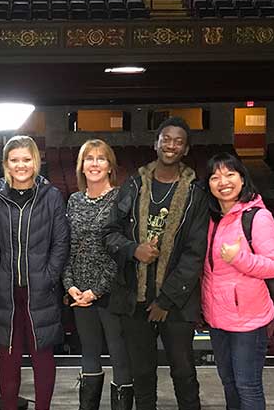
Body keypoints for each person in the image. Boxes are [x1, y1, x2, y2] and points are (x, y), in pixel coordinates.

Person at [103, 117, 209, 410]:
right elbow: (110, 232)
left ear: (185, 149)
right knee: (141, 375)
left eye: (178, 141)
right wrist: (133, 249)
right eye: (166, 138)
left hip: (176, 302)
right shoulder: (134, 185)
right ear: (156, 143)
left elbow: (194, 254)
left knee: (184, 373)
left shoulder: (195, 194)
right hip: (133, 300)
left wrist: (166, 300)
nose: (171, 145)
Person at [0, 135, 70, 410]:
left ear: (36, 161)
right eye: (14, 160)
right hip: (5, 291)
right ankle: (9, 405)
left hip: (40, 291)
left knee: (42, 356)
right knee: (7, 357)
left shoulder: (52, 196)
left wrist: (48, 276)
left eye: (26, 159)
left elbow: (60, 243)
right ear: (6, 164)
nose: (21, 165)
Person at [201, 153, 274, 410]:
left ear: (242, 178)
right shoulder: (211, 219)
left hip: (249, 319)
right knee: (229, 382)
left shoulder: (257, 217)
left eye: (229, 174)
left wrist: (240, 258)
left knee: (247, 386)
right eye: (215, 177)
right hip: (217, 317)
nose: (223, 181)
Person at [63, 139, 133, 410]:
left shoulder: (121, 199)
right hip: (80, 293)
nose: (94, 163)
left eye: (100, 158)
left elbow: (122, 252)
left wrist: (98, 290)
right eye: (88, 158)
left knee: (119, 355)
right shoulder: (74, 200)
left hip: (112, 291)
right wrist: (70, 286)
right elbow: (68, 246)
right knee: (89, 354)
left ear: (110, 165)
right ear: (81, 166)